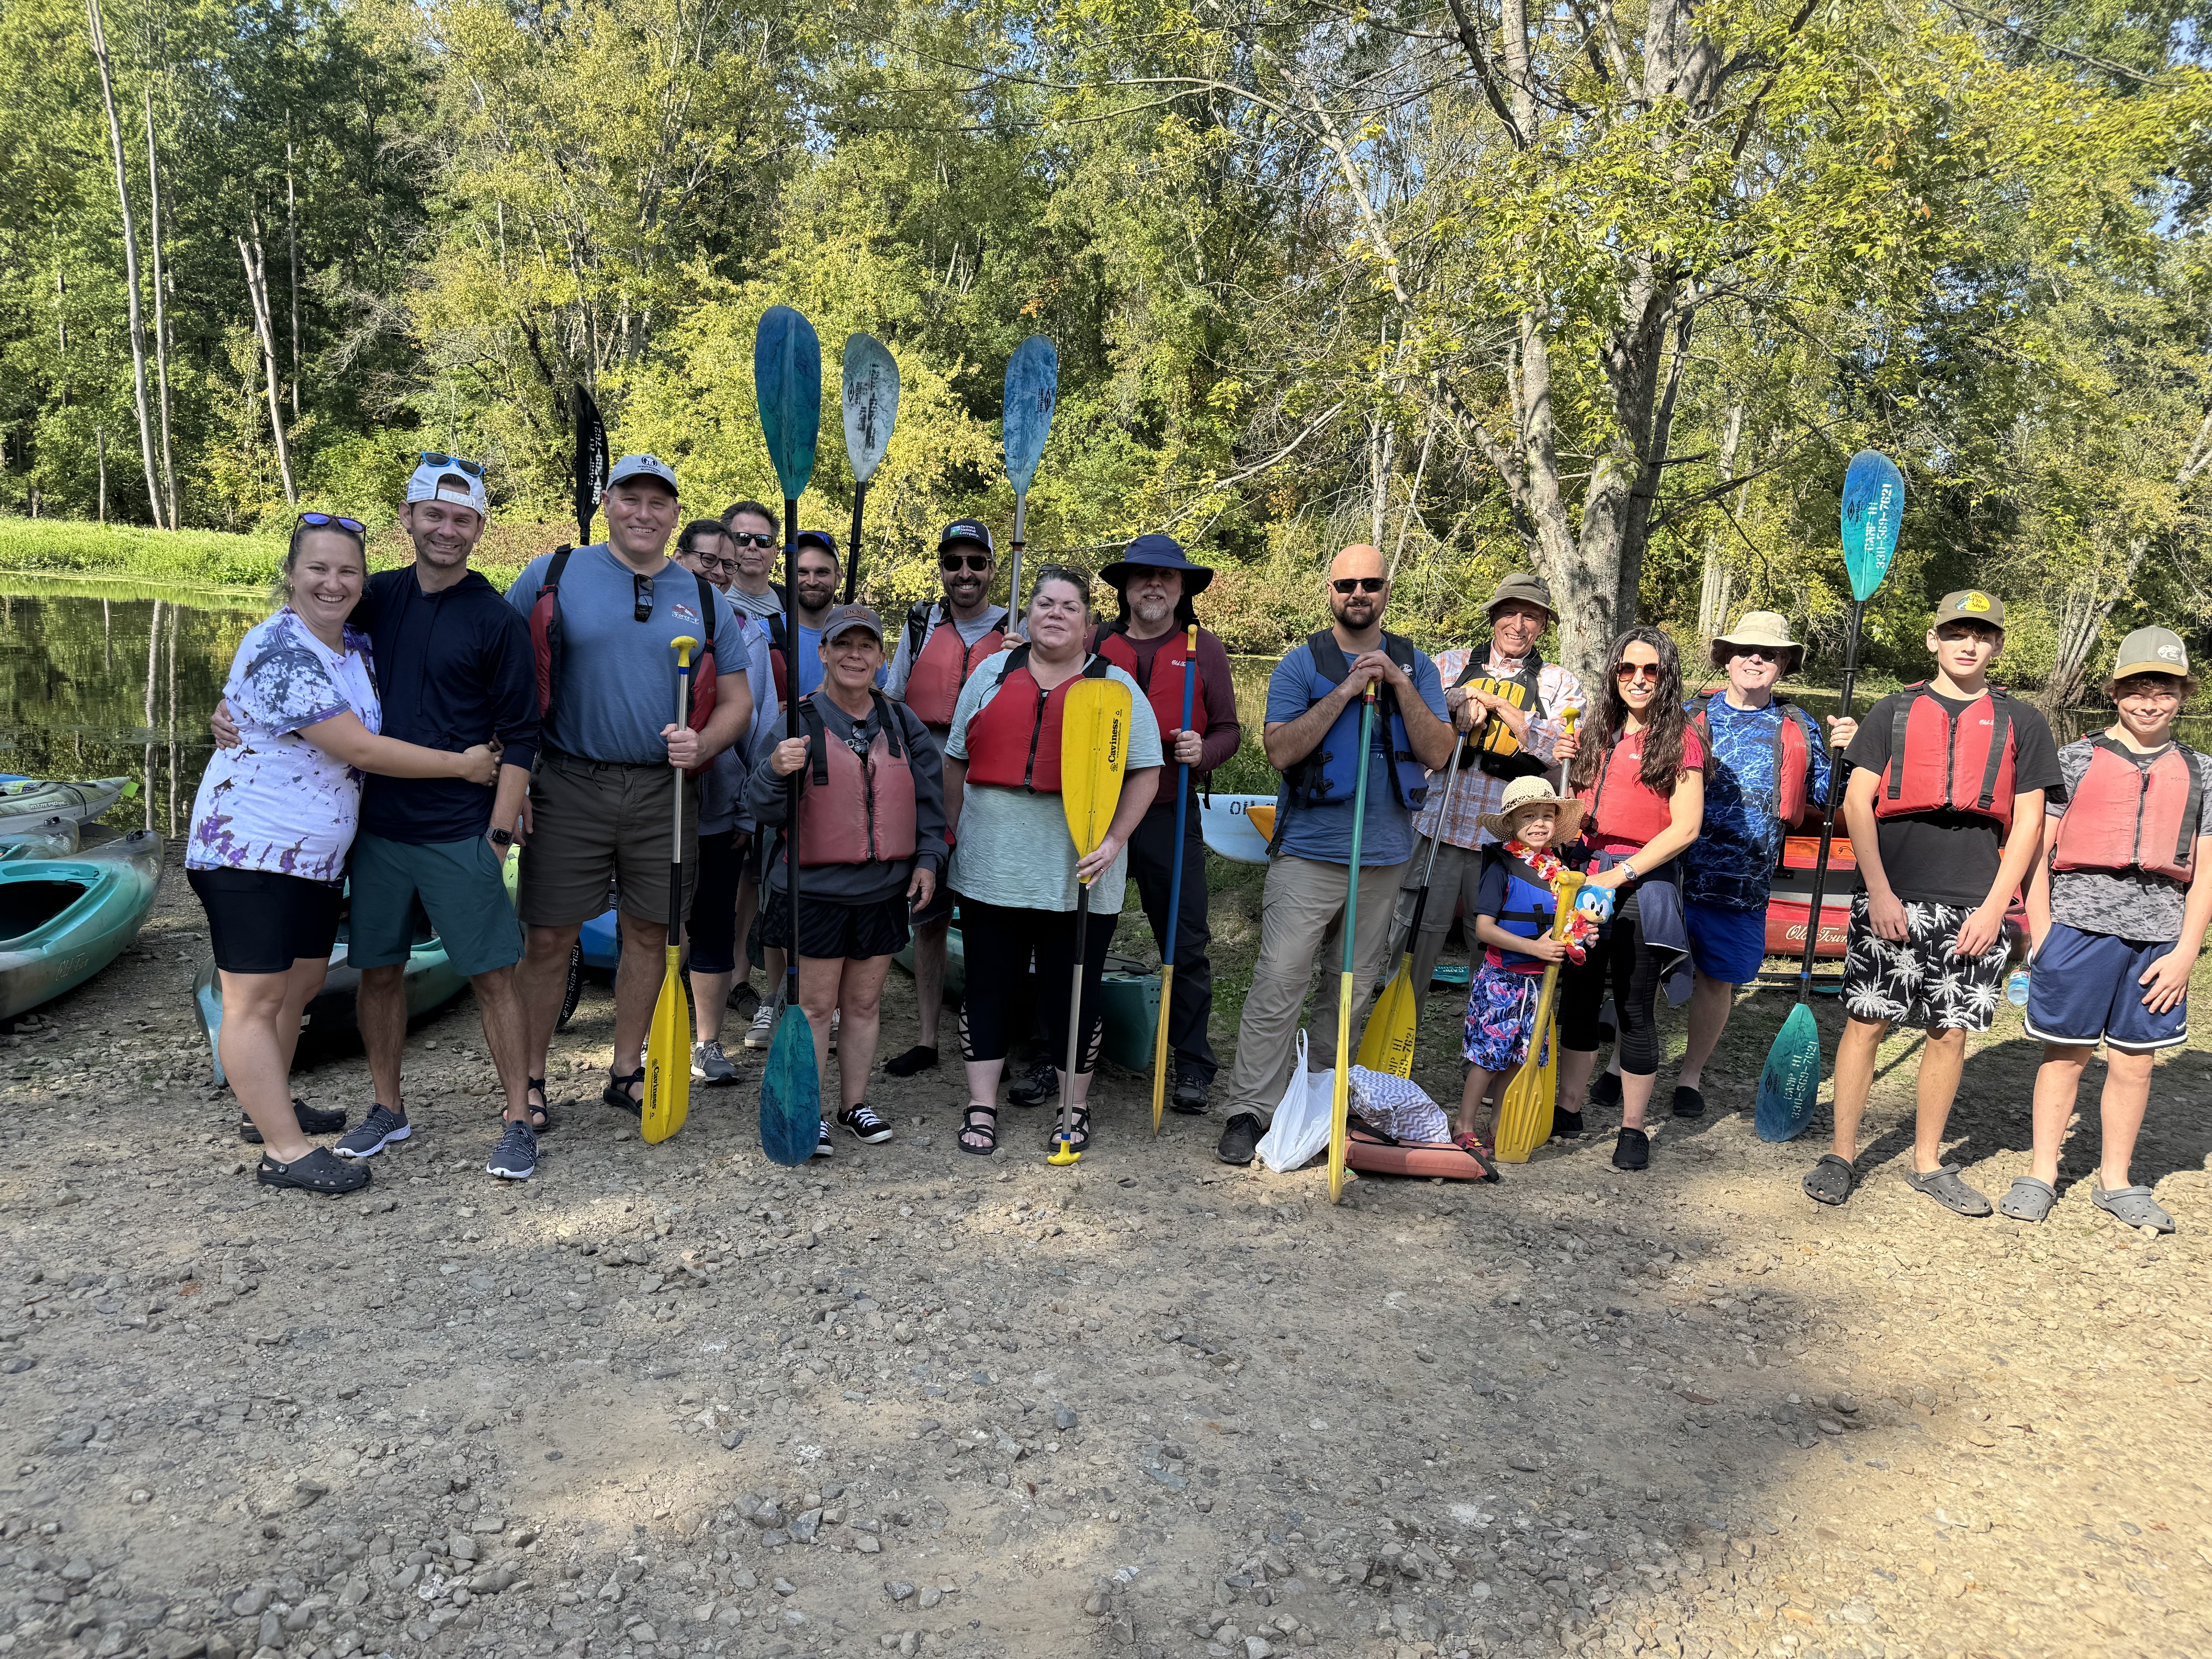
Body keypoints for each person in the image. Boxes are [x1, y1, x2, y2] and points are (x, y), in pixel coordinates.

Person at [209, 457, 544, 1180]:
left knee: (493, 976)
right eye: (433, 514)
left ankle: (519, 1117)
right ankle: (388, 1107)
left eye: (461, 519)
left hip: (461, 828)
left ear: (480, 527)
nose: (446, 529)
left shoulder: (498, 620)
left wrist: (498, 830)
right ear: (408, 517)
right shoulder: (375, 597)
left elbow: (521, 735)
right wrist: (230, 701)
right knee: (379, 974)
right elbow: (292, 635)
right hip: (376, 831)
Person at [503, 455, 754, 1118]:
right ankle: (529, 1078)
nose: (644, 513)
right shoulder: (554, 573)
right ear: (608, 502)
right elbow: (498, 671)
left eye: (659, 502)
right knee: (550, 935)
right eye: (631, 499)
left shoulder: (703, 597)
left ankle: (625, 1069)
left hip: (664, 793)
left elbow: (737, 701)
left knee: (651, 932)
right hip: (566, 780)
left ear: (675, 514)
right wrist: (512, 776)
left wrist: (704, 742)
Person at [1805, 590, 2061, 1213]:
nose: (1968, 644)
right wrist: (1880, 891)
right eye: (1956, 633)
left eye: (1981, 635)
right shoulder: (1892, 710)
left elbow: (2029, 824)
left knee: (1949, 1034)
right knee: (1867, 1024)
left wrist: (1997, 908)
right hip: (1893, 895)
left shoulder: (2022, 721)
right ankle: (1841, 1152)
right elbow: (1855, 803)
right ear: (1934, 640)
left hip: (1975, 903)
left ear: (1997, 645)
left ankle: (1927, 1161)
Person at [1214, 543, 1453, 1166]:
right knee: (1280, 981)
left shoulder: (1418, 665)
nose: (1358, 594)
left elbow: (1437, 752)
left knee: (1349, 989)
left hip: (1383, 856)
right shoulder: (1301, 664)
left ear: (1386, 590)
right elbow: (1281, 751)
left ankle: (1320, 1104)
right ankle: (1251, 1109)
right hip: (1310, 854)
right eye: (1347, 583)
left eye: (1370, 584)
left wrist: (1398, 683)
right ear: (1330, 590)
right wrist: (1348, 690)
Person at [1588, 610, 1856, 1120]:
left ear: (1783, 665)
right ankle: (1620, 1066)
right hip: (1675, 871)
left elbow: (1828, 793)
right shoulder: (1686, 715)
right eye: (1745, 651)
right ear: (1726, 659)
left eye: (1770, 654)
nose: (1756, 659)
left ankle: (1690, 1076)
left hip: (1744, 883)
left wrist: (1848, 751)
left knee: (1717, 981)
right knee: (1643, 976)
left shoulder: (1800, 725)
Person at [940, 566, 1163, 1157]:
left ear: (1089, 624)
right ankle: (981, 1105)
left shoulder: (1116, 689)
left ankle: (1073, 1108)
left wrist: (1115, 841)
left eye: (1069, 606)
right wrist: (952, 832)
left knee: (1074, 996)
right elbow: (956, 759)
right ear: (1028, 615)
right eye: (1044, 603)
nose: (1055, 613)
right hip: (993, 866)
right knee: (988, 989)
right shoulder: (991, 675)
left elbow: (1146, 770)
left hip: (1079, 873)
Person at [2006, 628, 2212, 1233]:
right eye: (2138, 689)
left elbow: (2205, 875)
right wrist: (2042, 934)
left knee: (2135, 1063)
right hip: (2076, 930)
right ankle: (2042, 1172)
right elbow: (2034, 855)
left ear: (2183, 696)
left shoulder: (2202, 772)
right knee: (2065, 1055)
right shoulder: (2073, 760)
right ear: (2115, 693)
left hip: (2159, 940)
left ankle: (2115, 1181)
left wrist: (2185, 954)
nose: (2151, 702)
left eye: (2165, 690)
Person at [749, 605, 948, 1152]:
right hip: (815, 893)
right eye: (843, 645)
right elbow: (760, 807)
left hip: (883, 891)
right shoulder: (796, 721)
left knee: (864, 1004)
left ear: (882, 657)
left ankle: (854, 1103)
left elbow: (930, 804)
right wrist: (774, 771)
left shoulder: (902, 723)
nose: (854, 655)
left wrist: (929, 859)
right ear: (824, 652)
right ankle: (808, 1111)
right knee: (815, 1007)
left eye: (867, 646)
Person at [1091, 534, 1242, 1112]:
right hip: (1098, 813)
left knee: (1185, 941)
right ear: (1126, 587)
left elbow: (1229, 729)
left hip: (1169, 813)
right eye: (1142, 577)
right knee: (1077, 935)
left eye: (1167, 578)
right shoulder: (1097, 643)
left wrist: (1202, 752)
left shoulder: (1205, 649)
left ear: (1182, 589)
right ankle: (1058, 1046)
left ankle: (1192, 1062)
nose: (1154, 586)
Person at [1390, 573, 1586, 1005]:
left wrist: (1502, 707)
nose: (1519, 624)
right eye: (1510, 613)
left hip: (1508, 846)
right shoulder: (1446, 664)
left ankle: (1485, 1057)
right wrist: (1454, 701)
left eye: (1531, 616)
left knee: (1498, 958)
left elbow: (1565, 753)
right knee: (1413, 940)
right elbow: (1409, 721)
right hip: (1436, 828)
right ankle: (1389, 1057)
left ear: (1544, 626)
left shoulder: (1561, 683)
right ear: (1493, 617)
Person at [1555, 627, 1706, 1172]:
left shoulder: (1683, 740)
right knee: (1579, 997)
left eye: (1650, 671)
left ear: (1666, 676)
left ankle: (1634, 1127)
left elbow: (1686, 828)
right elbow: (1569, 815)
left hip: (1644, 883)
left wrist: (1618, 876)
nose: (1638, 680)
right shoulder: (1598, 732)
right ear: (1613, 674)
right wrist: (1560, 767)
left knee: (1634, 1009)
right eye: (1627, 670)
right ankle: (1568, 1108)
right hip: (1586, 878)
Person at [880, 519, 1011, 1079]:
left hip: (989, 792)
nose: (965, 574)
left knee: (991, 923)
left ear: (991, 569)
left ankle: (990, 1037)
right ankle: (930, 1039)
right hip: (926, 789)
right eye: (954, 563)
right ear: (942, 568)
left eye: (976, 563)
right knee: (929, 918)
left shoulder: (1017, 631)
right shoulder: (918, 625)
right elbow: (888, 703)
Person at [673, 520, 780, 1084]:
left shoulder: (746, 629)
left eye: (726, 564)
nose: (716, 572)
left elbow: (759, 722)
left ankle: (707, 1044)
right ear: (681, 557)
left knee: (713, 920)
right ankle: (647, 1036)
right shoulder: (649, 612)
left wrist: (746, 808)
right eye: (706, 561)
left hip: (718, 805)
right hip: (652, 805)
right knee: (654, 926)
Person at [1453, 776, 1596, 1164]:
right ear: (1512, 823)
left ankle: (1500, 1125)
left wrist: (1579, 936)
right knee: (1488, 1057)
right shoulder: (1501, 867)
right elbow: (1484, 928)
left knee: (1519, 1058)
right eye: (1528, 816)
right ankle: (1464, 1125)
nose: (1539, 823)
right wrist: (1533, 947)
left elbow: (1565, 924)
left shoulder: (1559, 871)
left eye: (1547, 816)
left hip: (1540, 984)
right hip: (1502, 981)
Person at [718, 500, 787, 624]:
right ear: (726, 546)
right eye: (742, 538)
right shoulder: (711, 599)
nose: (753, 546)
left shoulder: (793, 602)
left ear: (775, 552)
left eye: (763, 540)